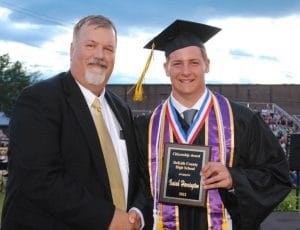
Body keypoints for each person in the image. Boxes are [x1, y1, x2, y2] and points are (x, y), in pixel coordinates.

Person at [134, 19, 291, 230]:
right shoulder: (147, 126)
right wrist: (137, 214)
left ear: (207, 64)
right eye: (177, 63)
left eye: (194, 62)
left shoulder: (241, 120)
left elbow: (277, 176)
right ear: (166, 68)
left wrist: (235, 180)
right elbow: (138, 188)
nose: (186, 71)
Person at [1, 15, 153, 229]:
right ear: (72, 50)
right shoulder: (39, 99)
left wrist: (137, 211)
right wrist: (108, 218)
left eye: (108, 49)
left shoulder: (122, 109)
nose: (99, 55)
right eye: (91, 45)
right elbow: (39, 178)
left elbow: (137, 175)